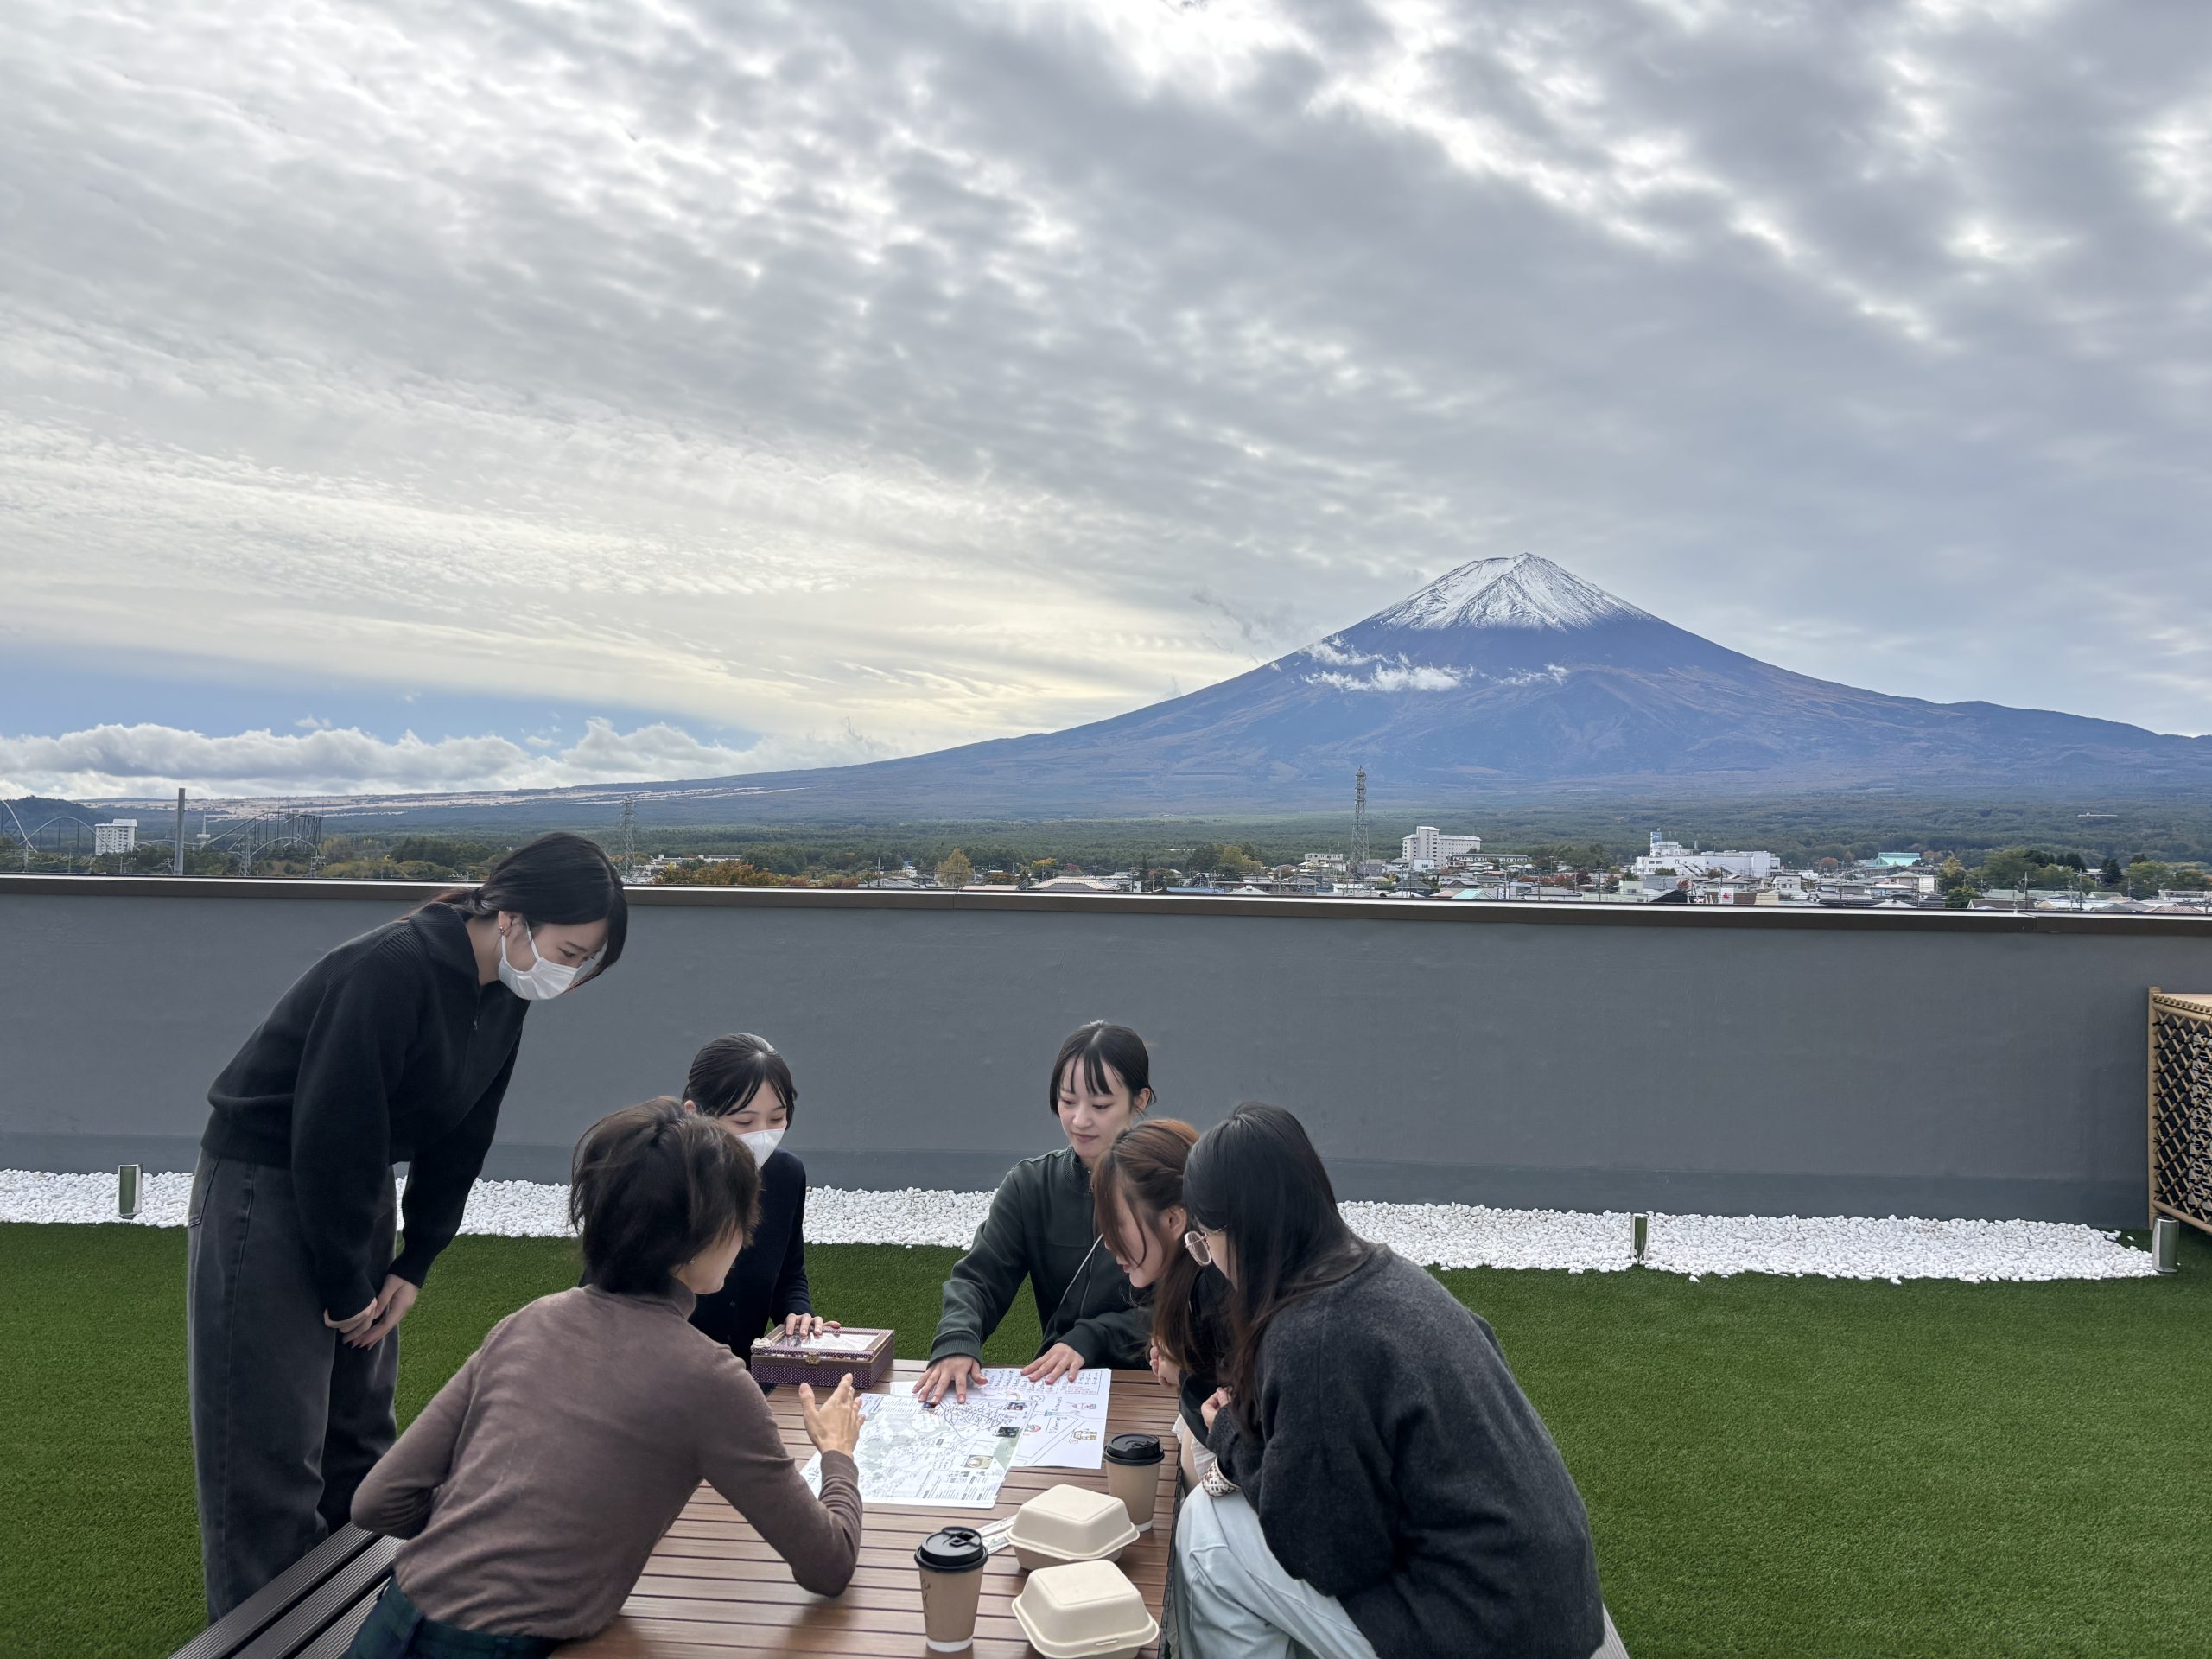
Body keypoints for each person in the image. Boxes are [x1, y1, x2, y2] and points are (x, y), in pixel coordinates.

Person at [188, 832, 627, 1618]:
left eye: (587, 963)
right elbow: (332, 1130)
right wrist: (344, 1281)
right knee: (271, 1452)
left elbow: (465, 1130)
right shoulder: (390, 968)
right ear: (514, 917)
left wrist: (413, 1261)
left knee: (361, 1441)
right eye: (569, 950)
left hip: (351, 1188)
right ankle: (262, 1635)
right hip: (265, 1186)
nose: (569, 975)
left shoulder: (502, 990)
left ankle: (355, 1625)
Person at [344, 1097, 864, 1657]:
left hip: (391, 1621)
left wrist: (494, 1536)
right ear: (709, 1235)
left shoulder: (529, 1321)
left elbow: (377, 1502)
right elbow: (828, 1563)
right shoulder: (710, 1378)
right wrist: (837, 1455)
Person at [1177, 1103, 1617, 1659]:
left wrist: (1233, 1441)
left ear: (1239, 1235)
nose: (1209, 1261)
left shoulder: (1311, 1335)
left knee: (1209, 1535)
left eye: (1205, 1242)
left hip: (1488, 1630)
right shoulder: (1391, 1278)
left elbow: (1334, 1554)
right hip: (1554, 1606)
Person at [915, 1020, 1158, 1404]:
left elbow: (1191, 1309)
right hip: (1062, 1388)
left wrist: (1093, 1336)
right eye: (1067, 1101)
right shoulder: (1031, 1186)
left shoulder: (1170, 1185)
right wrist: (957, 1339)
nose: (1080, 1120)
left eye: (1100, 1105)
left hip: (1156, 1387)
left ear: (1140, 1100)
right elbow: (979, 1279)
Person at [1090, 1117, 1228, 1487]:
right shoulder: (1198, 1272)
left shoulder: (1215, 1285)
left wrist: (1184, 1373)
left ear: (1173, 1218)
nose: (1107, 1241)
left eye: (1116, 1224)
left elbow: (1237, 1421)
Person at [678, 1033, 830, 1363]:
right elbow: (611, 1296)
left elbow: (789, 1272)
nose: (763, 1134)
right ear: (694, 1113)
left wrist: (798, 1314)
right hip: (662, 1375)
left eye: (776, 1119)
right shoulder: (660, 1180)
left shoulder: (785, 1175)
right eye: (743, 1121)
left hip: (746, 1378)